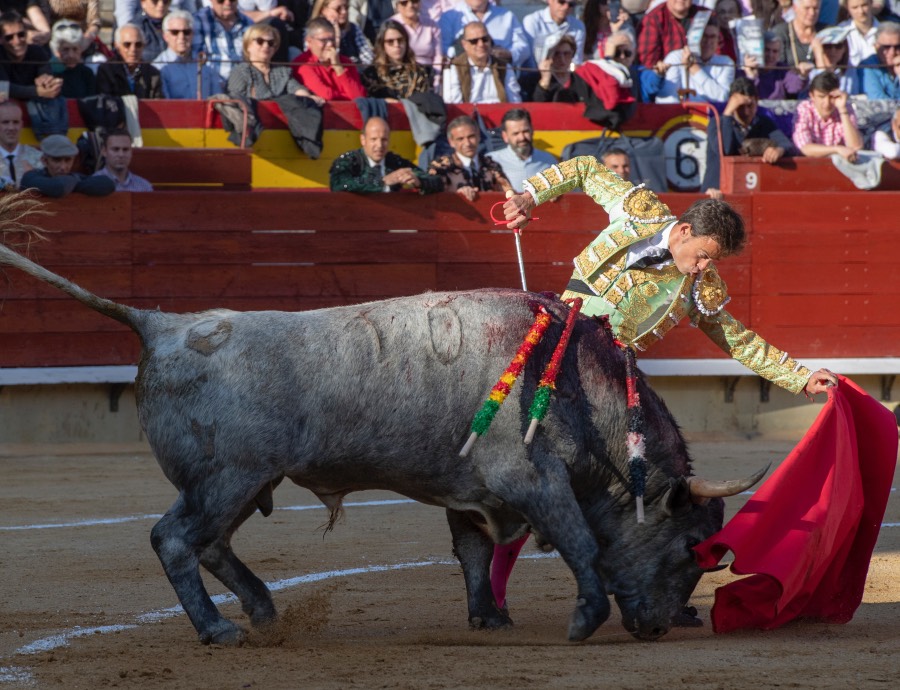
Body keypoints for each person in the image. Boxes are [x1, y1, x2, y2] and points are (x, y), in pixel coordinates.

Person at [496, 155, 839, 615]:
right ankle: (491, 594)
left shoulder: (702, 287)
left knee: (647, 481)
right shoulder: (637, 210)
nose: (701, 268)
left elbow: (738, 340)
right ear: (681, 231)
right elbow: (582, 169)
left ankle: (659, 588)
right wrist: (529, 195)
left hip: (614, 385)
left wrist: (799, 376)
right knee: (526, 467)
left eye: (710, 262)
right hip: (556, 359)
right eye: (701, 255)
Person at [228, 21, 325, 156]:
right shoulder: (240, 71)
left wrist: (308, 97)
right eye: (260, 41)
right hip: (256, 136)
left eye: (271, 43)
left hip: (283, 139)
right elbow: (235, 99)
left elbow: (296, 88)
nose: (266, 46)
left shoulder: (282, 71)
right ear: (248, 45)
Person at [702, 77, 794, 197]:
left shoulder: (763, 123)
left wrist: (779, 150)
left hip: (748, 192)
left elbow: (786, 144)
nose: (746, 111)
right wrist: (728, 114)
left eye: (750, 105)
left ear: (756, 101)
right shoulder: (717, 122)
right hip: (716, 192)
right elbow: (725, 150)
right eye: (740, 106)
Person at [330, 116, 443, 192]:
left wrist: (419, 182)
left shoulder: (395, 162)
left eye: (384, 140)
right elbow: (338, 183)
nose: (379, 145)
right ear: (363, 140)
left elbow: (436, 182)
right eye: (373, 139)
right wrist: (382, 181)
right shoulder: (349, 160)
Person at [428, 114, 512, 199]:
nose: (467, 143)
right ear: (451, 142)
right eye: (460, 139)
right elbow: (432, 197)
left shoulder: (491, 165)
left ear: (479, 136)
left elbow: (509, 193)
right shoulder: (441, 167)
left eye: (471, 137)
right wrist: (456, 195)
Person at [441, 20, 522, 104]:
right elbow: (453, 105)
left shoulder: (504, 67)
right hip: (467, 115)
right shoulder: (453, 68)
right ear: (464, 44)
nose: (481, 44)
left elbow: (515, 102)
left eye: (485, 39)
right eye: (474, 41)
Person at [654, 22, 734, 103]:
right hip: (680, 114)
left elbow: (722, 97)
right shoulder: (675, 58)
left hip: (711, 113)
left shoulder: (726, 62)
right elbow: (667, 98)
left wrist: (695, 69)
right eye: (704, 36)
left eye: (713, 37)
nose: (708, 41)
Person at [792, 70, 863, 160]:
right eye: (821, 97)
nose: (827, 103)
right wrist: (836, 149)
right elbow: (805, 148)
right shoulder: (804, 109)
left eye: (831, 97)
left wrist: (842, 110)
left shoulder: (845, 107)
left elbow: (855, 146)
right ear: (812, 96)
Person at [153, 9, 224, 98]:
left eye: (186, 32)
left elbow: (217, 98)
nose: (181, 37)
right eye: (175, 32)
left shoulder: (205, 62)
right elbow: (165, 104)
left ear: (192, 34)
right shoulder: (159, 67)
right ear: (165, 36)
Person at [291, 16, 367, 100]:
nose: (330, 44)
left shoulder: (346, 62)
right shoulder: (302, 64)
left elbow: (360, 97)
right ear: (309, 41)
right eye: (323, 40)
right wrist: (348, 96)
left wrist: (338, 68)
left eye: (332, 39)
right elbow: (327, 96)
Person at [439, 0, 530, 67]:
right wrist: (471, 53)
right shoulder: (449, 17)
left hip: (502, 75)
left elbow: (524, 48)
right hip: (465, 77)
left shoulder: (507, 15)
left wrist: (509, 54)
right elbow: (443, 49)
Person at [20, 133, 116, 197]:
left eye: (68, 160)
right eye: (57, 160)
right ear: (45, 160)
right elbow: (59, 187)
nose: (63, 167)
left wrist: (72, 184)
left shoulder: (74, 178)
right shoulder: (31, 177)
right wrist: (75, 182)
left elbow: (108, 184)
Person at [486, 108, 558, 192]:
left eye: (525, 131)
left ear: (532, 130)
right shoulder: (491, 161)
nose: (522, 138)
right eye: (516, 133)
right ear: (505, 136)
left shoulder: (549, 160)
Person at [361, 19, 433, 99]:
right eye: (390, 41)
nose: (397, 45)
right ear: (382, 45)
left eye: (400, 40)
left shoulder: (419, 71)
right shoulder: (371, 74)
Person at [0, 11, 62, 102]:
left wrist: (49, 83)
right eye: (9, 37)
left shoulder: (37, 51)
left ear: (26, 33)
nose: (17, 41)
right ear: (1, 39)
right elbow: (3, 89)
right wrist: (37, 91)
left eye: (21, 35)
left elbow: (47, 76)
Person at [192, 0, 254, 83]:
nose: (228, 3)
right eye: (221, 0)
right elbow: (195, 57)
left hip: (242, 84)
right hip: (210, 84)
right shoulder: (197, 21)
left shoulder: (248, 23)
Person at [636, 0, 708, 69]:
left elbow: (716, 51)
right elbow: (648, 63)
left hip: (703, 71)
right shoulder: (653, 19)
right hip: (668, 77)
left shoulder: (706, 15)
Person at [97, 24, 163, 98]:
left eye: (138, 44)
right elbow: (106, 101)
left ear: (144, 46)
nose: (133, 49)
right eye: (127, 44)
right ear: (117, 46)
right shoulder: (106, 70)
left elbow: (157, 104)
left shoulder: (153, 74)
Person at [390, 0, 443, 86]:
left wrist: (436, 77)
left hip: (429, 74)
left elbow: (438, 56)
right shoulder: (391, 25)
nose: (410, 5)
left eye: (414, 1)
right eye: (404, 2)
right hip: (402, 76)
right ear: (397, 6)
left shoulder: (431, 25)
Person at [523, 0, 587, 67]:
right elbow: (528, 59)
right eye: (561, 2)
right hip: (534, 73)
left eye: (571, 4)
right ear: (550, 1)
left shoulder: (578, 26)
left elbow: (576, 61)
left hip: (564, 74)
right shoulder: (532, 21)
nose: (566, 7)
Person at [312, 0, 374, 65]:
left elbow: (368, 58)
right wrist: (336, 39)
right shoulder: (313, 33)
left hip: (355, 71)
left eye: (346, 7)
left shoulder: (353, 28)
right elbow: (318, 61)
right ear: (323, 10)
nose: (344, 12)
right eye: (338, 9)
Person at [48, 19, 96, 98]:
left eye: (75, 49)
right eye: (65, 49)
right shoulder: (47, 72)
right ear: (56, 49)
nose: (71, 55)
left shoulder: (87, 74)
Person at [0, 100, 42, 187]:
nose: (11, 128)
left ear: (21, 125)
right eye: (5, 122)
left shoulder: (38, 158)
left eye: (15, 122)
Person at [809, 26, 861, 95]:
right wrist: (819, 56)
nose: (833, 51)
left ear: (845, 49)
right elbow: (822, 92)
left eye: (838, 46)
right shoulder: (810, 70)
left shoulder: (850, 69)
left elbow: (854, 96)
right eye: (828, 46)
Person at [532, 33, 579, 102]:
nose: (562, 59)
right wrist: (545, 81)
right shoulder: (533, 80)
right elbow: (536, 106)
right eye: (556, 54)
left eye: (566, 54)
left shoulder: (579, 80)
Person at [859, 21, 900, 99]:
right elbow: (877, 100)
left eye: (898, 47)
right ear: (876, 46)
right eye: (886, 47)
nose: (892, 52)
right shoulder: (867, 66)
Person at [840, 0, 879, 66]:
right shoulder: (841, 32)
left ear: (871, 3)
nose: (861, 11)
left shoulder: (885, 31)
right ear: (847, 8)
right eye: (855, 7)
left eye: (864, 5)